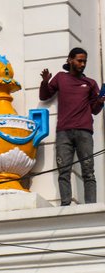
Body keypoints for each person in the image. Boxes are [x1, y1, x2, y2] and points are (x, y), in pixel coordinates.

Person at [39, 47, 105, 205]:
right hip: (63, 132)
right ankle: (66, 205)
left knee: (88, 171)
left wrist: (101, 102)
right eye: (79, 60)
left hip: (84, 132)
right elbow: (44, 96)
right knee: (64, 171)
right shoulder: (61, 77)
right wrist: (45, 81)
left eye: (84, 61)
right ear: (70, 60)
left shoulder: (90, 83)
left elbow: (94, 110)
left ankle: (91, 206)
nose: (82, 64)